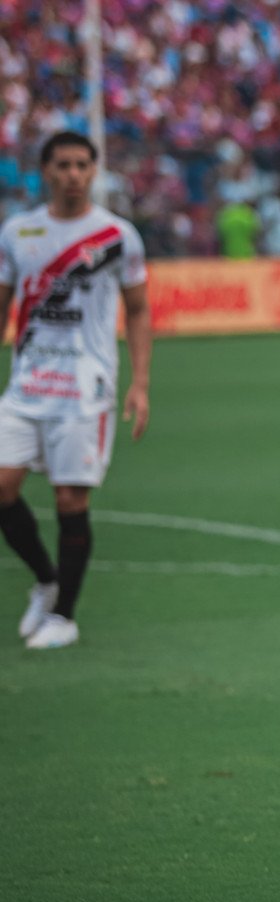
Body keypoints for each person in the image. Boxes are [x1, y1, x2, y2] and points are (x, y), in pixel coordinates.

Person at [0, 131, 151, 651]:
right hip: (26, 386)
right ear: (45, 171)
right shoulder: (18, 232)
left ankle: (64, 616)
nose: (73, 174)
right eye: (62, 165)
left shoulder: (116, 235)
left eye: (82, 165)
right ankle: (46, 579)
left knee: (70, 500)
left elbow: (137, 309)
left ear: (94, 171)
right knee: (2, 486)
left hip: (84, 391)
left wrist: (141, 383)